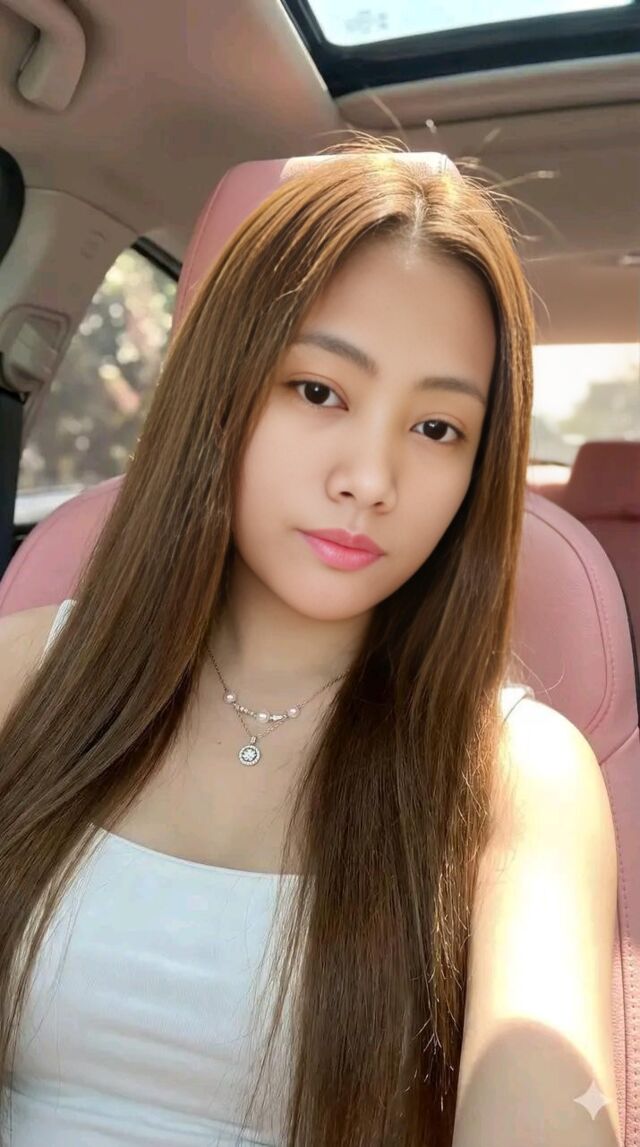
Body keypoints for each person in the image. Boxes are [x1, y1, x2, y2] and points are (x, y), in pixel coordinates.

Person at [0, 138, 619, 1146]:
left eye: (437, 429)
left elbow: (546, 1097)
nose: (369, 478)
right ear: (222, 391)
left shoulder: (518, 773)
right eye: (319, 391)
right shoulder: (21, 675)